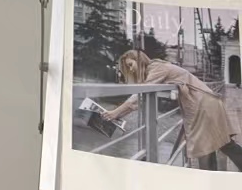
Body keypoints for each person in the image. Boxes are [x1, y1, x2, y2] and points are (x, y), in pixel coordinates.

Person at [101, 48, 242, 171]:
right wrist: (118, 114)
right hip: (206, 103)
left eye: (130, 65)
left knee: (211, 147)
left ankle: (210, 182)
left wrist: (115, 112)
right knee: (215, 145)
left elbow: (139, 96)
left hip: (203, 105)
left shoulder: (157, 68)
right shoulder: (157, 67)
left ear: (139, 60)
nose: (131, 70)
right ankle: (212, 182)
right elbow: (139, 101)